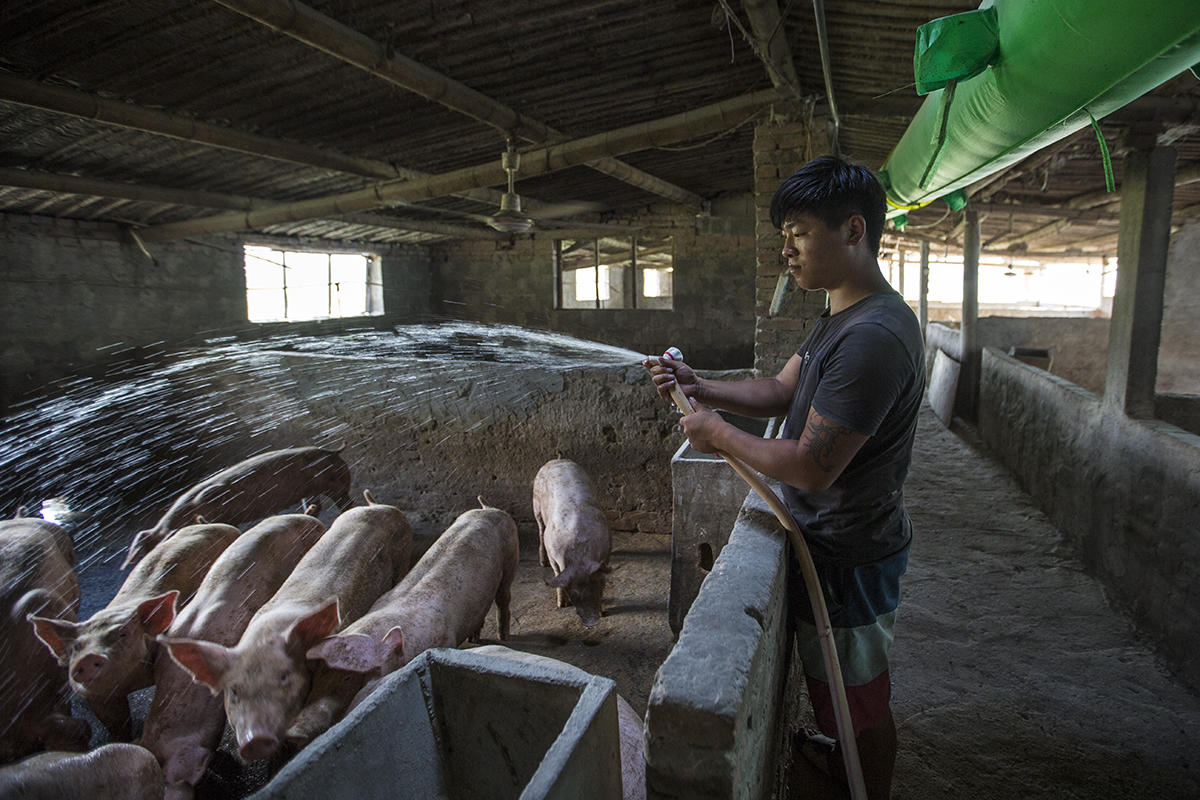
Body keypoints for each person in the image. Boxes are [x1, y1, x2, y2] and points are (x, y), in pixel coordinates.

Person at [643, 154, 924, 800]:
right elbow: (778, 389)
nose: (787, 253)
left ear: (853, 231)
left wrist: (714, 433)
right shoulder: (839, 315)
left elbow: (811, 465)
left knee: (858, 707)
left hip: (848, 554)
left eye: (799, 235)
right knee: (841, 700)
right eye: (784, 238)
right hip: (829, 544)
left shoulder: (875, 337)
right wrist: (700, 387)